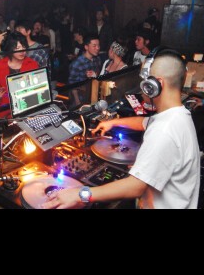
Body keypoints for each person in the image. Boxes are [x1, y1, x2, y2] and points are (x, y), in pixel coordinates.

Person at [42, 48, 201, 209]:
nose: (142, 87)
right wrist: (114, 123)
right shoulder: (178, 115)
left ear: (155, 85)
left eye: (144, 81)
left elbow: (135, 187)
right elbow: (144, 122)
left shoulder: (163, 130)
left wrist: (79, 194)